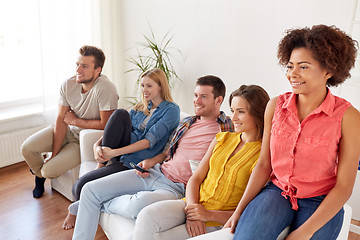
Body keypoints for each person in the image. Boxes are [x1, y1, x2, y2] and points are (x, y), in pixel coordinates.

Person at [224, 25, 360, 240]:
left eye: (303, 67)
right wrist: (240, 209)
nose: (292, 74)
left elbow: (344, 187)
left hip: (321, 199)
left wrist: (304, 232)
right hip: (277, 192)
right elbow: (263, 164)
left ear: (329, 71)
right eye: (290, 66)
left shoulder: (349, 117)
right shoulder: (275, 105)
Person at [71, 75, 234, 240]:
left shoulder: (227, 129)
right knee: (90, 190)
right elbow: (167, 152)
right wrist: (151, 162)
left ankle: (98, 204)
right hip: (156, 171)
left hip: (176, 188)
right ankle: (91, 204)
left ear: (218, 100)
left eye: (203, 96)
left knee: (137, 206)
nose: (196, 101)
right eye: (195, 95)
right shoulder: (187, 123)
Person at [133, 85, 270, 240]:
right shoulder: (222, 138)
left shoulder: (263, 156)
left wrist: (207, 215)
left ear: (259, 114)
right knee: (146, 216)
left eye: (241, 112)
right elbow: (195, 179)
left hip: (218, 220)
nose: (233, 118)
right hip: (192, 204)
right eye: (232, 111)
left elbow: (250, 211)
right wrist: (193, 213)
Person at [62, 68, 180, 230]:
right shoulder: (141, 106)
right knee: (120, 114)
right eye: (142, 86)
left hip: (134, 160)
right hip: (120, 151)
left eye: (149, 86)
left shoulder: (171, 110)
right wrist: (98, 146)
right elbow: (116, 127)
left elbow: (148, 142)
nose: (144, 90)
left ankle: (75, 210)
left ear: (161, 86)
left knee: (80, 185)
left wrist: (114, 153)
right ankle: (102, 162)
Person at [21, 45, 119, 198]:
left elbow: (106, 124)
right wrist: (54, 154)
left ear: (97, 70)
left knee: (48, 171)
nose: (78, 70)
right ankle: (39, 175)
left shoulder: (106, 88)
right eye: (77, 64)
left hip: (82, 141)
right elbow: (61, 120)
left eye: (84, 66)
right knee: (27, 148)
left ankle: (40, 174)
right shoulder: (68, 84)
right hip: (68, 131)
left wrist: (75, 121)